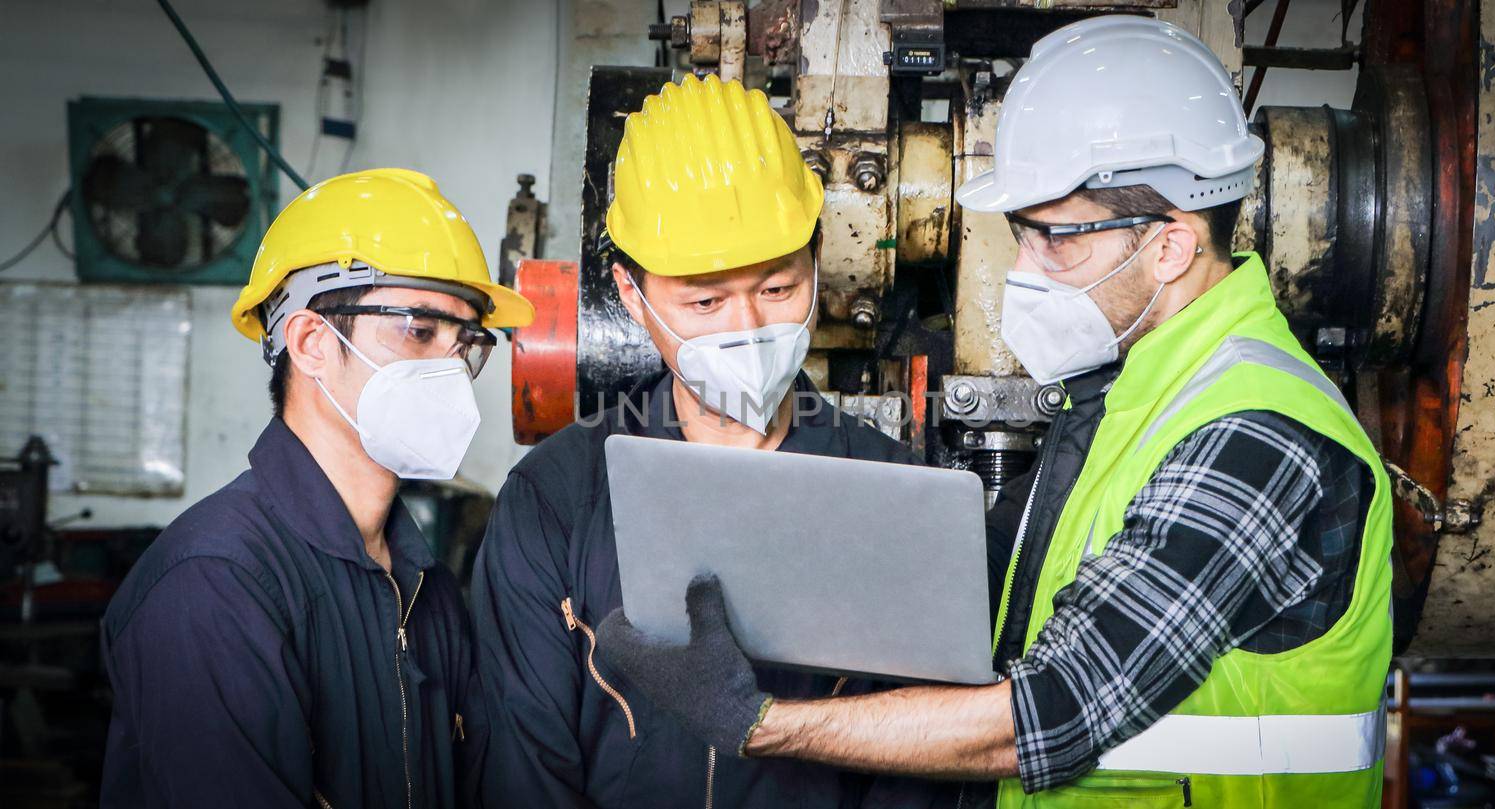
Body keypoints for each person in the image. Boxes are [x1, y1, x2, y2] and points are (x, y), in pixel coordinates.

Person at [595, 16, 1395, 809]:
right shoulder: (1136, 396)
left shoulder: (1255, 434)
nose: (1026, 267)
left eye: (1057, 239)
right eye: (1022, 234)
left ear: (1171, 246)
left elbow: (1052, 711)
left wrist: (757, 722)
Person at [471, 73, 954, 808]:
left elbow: (917, 774)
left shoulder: (897, 495)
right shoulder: (557, 500)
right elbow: (521, 771)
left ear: (818, 261)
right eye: (703, 300)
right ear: (632, 297)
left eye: (777, 288)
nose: (745, 327)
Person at [100, 168, 533, 808]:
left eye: (465, 340)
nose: (450, 369)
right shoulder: (216, 581)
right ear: (310, 343)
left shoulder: (426, 585)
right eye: (419, 330)